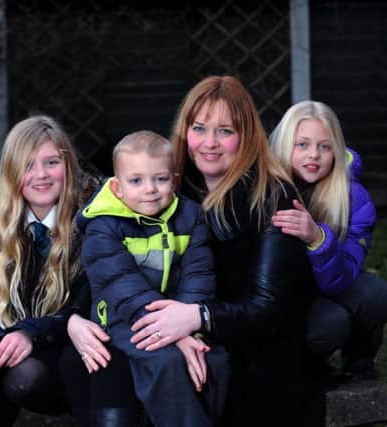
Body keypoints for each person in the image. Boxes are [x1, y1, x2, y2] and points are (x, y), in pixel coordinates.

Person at [125, 76, 319, 426]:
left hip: (258, 358)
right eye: (199, 128)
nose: (209, 143)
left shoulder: (271, 196)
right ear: (185, 132)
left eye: (225, 131)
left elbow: (269, 309)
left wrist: (197, 317)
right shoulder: (167, 191)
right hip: (182, 345)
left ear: (245, 136)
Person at [0, 115, 111, 427]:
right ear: (12, 173)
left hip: (64, 348)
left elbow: (86, 306)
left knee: (25, 377)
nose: (40, 175)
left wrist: (30, 333)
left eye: (51, 163)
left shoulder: (92, 220)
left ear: (68, 166)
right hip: (11, 341)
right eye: (28, 165)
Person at [77, 130, 228, 427]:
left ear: (173, 180)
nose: (150, 189)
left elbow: (198, 274)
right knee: (166, 362)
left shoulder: (190, 216)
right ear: (118, 189)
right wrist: (174, 332)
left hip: (179, 314)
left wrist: (186, 326)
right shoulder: (103, 226)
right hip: (123, 318)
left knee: (213, 360)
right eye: (137, 181)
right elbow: (124, 289)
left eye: (160, 179)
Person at [269, 100, 387, 381]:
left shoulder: (354, 198)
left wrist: (318, 239)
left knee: (375, 295)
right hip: (285, 301)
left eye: (324, 146)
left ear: (336, 150)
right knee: (330, 325)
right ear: (285, 144)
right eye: (302, 145)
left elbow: (342, 277)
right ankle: (309, 365)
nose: (314, 155)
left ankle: (360, 361)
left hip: (330, 285)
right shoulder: (266, 189)